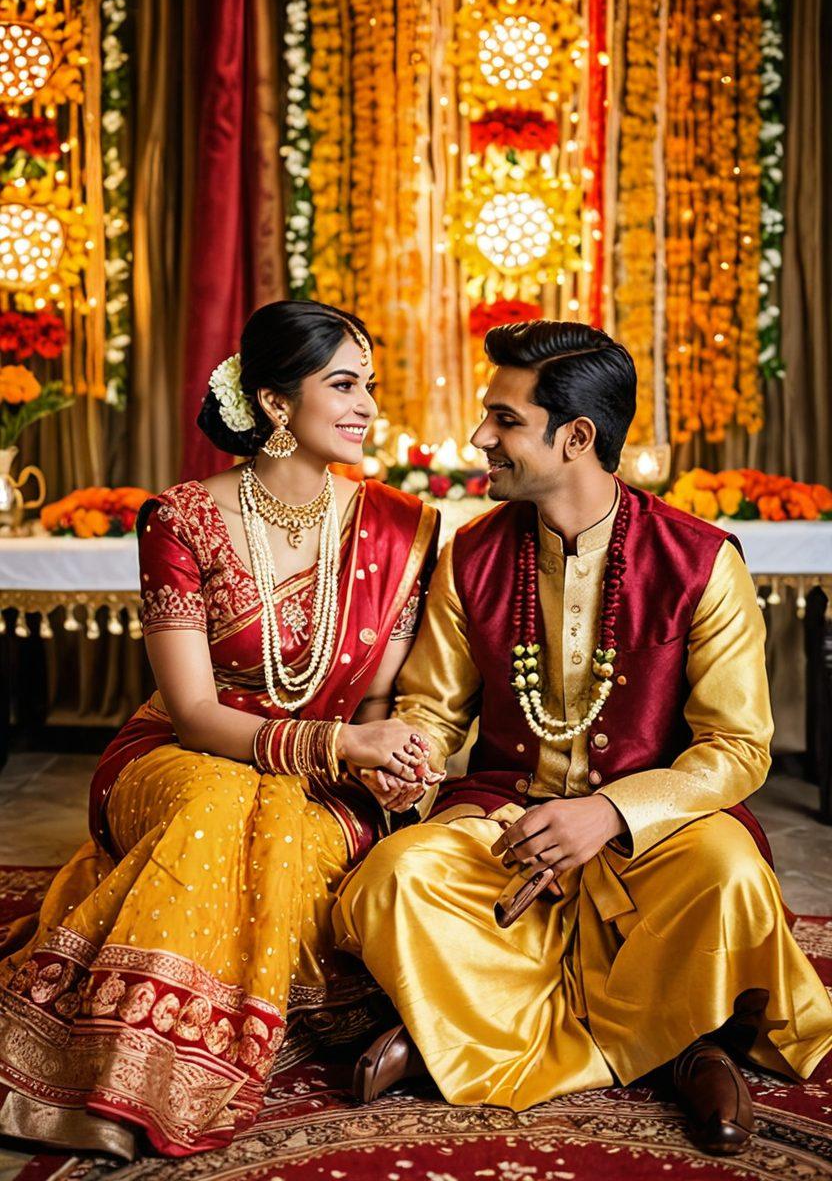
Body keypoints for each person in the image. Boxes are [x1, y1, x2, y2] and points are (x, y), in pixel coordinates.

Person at [334, 320, 832, 1157]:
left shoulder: (700, 561)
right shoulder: (473, 555)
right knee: (396, 877)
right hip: (508, 824)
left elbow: (738, 746)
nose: (479, 436)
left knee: (731, 875)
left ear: (576, 438)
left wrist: (610, 813)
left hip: (657, 836)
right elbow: (432, 710)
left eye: (504, 420)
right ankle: (679, 1042)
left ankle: (471, 1030)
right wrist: (408, 758)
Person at [0, 300, 439, 1157]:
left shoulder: (396, 525)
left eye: (369, 386)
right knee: (218, 803)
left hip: (329, 779)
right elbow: (196, 714)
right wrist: (338, 744)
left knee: (276, 824)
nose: (367, 406)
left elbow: (378, 704)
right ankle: (125, 1072)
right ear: (275, 402)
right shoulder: (182, 519)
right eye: (343, 385)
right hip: (180, 753)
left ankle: (157, 1054)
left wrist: (388, 762)